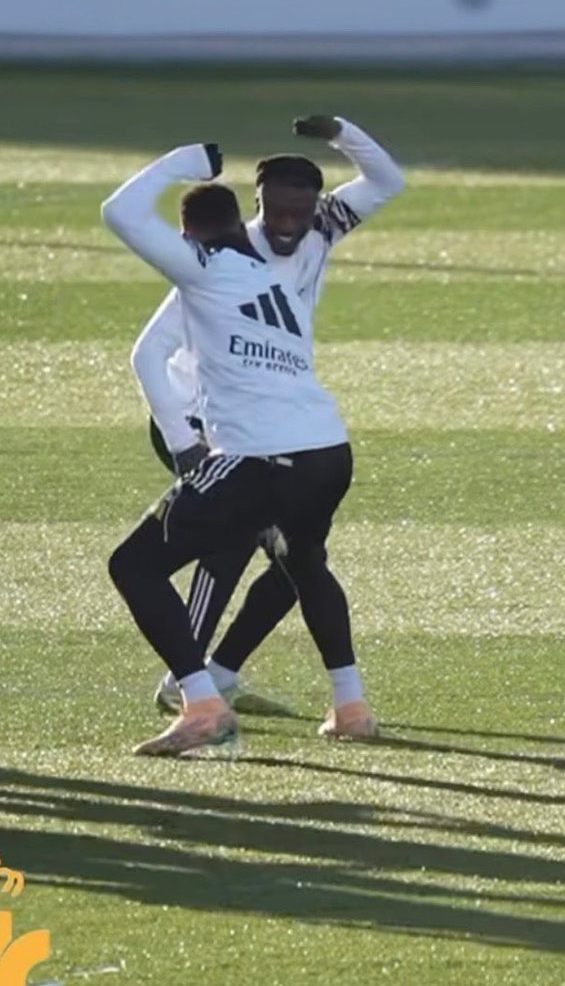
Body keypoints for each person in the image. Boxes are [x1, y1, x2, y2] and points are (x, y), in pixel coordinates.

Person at [102, 140, 382, 756]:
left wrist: (183, 161)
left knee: (135, 566)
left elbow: (118, 212)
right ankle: (351, 706)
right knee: (301, 564)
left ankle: (201, 702)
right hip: (329, 452)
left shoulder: (201, 269)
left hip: (262, 458)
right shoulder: (278, 285)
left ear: (190, 239)